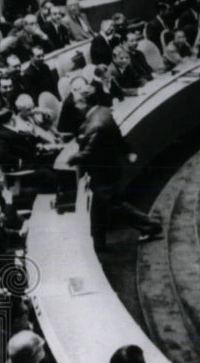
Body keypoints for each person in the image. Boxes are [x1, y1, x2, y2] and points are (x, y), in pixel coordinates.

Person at [67, 83, 163, 251]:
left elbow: (88, 153)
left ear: (85, 102)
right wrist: (127, 151)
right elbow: (117, 136)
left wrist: (71, 158)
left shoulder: (95, 124)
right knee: (98, 210)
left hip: (103, 173)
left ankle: (152, 225)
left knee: (116, 206)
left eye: (77, 103)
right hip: (109, 168)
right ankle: (98, 245)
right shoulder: (103, 111)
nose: (75, 106)